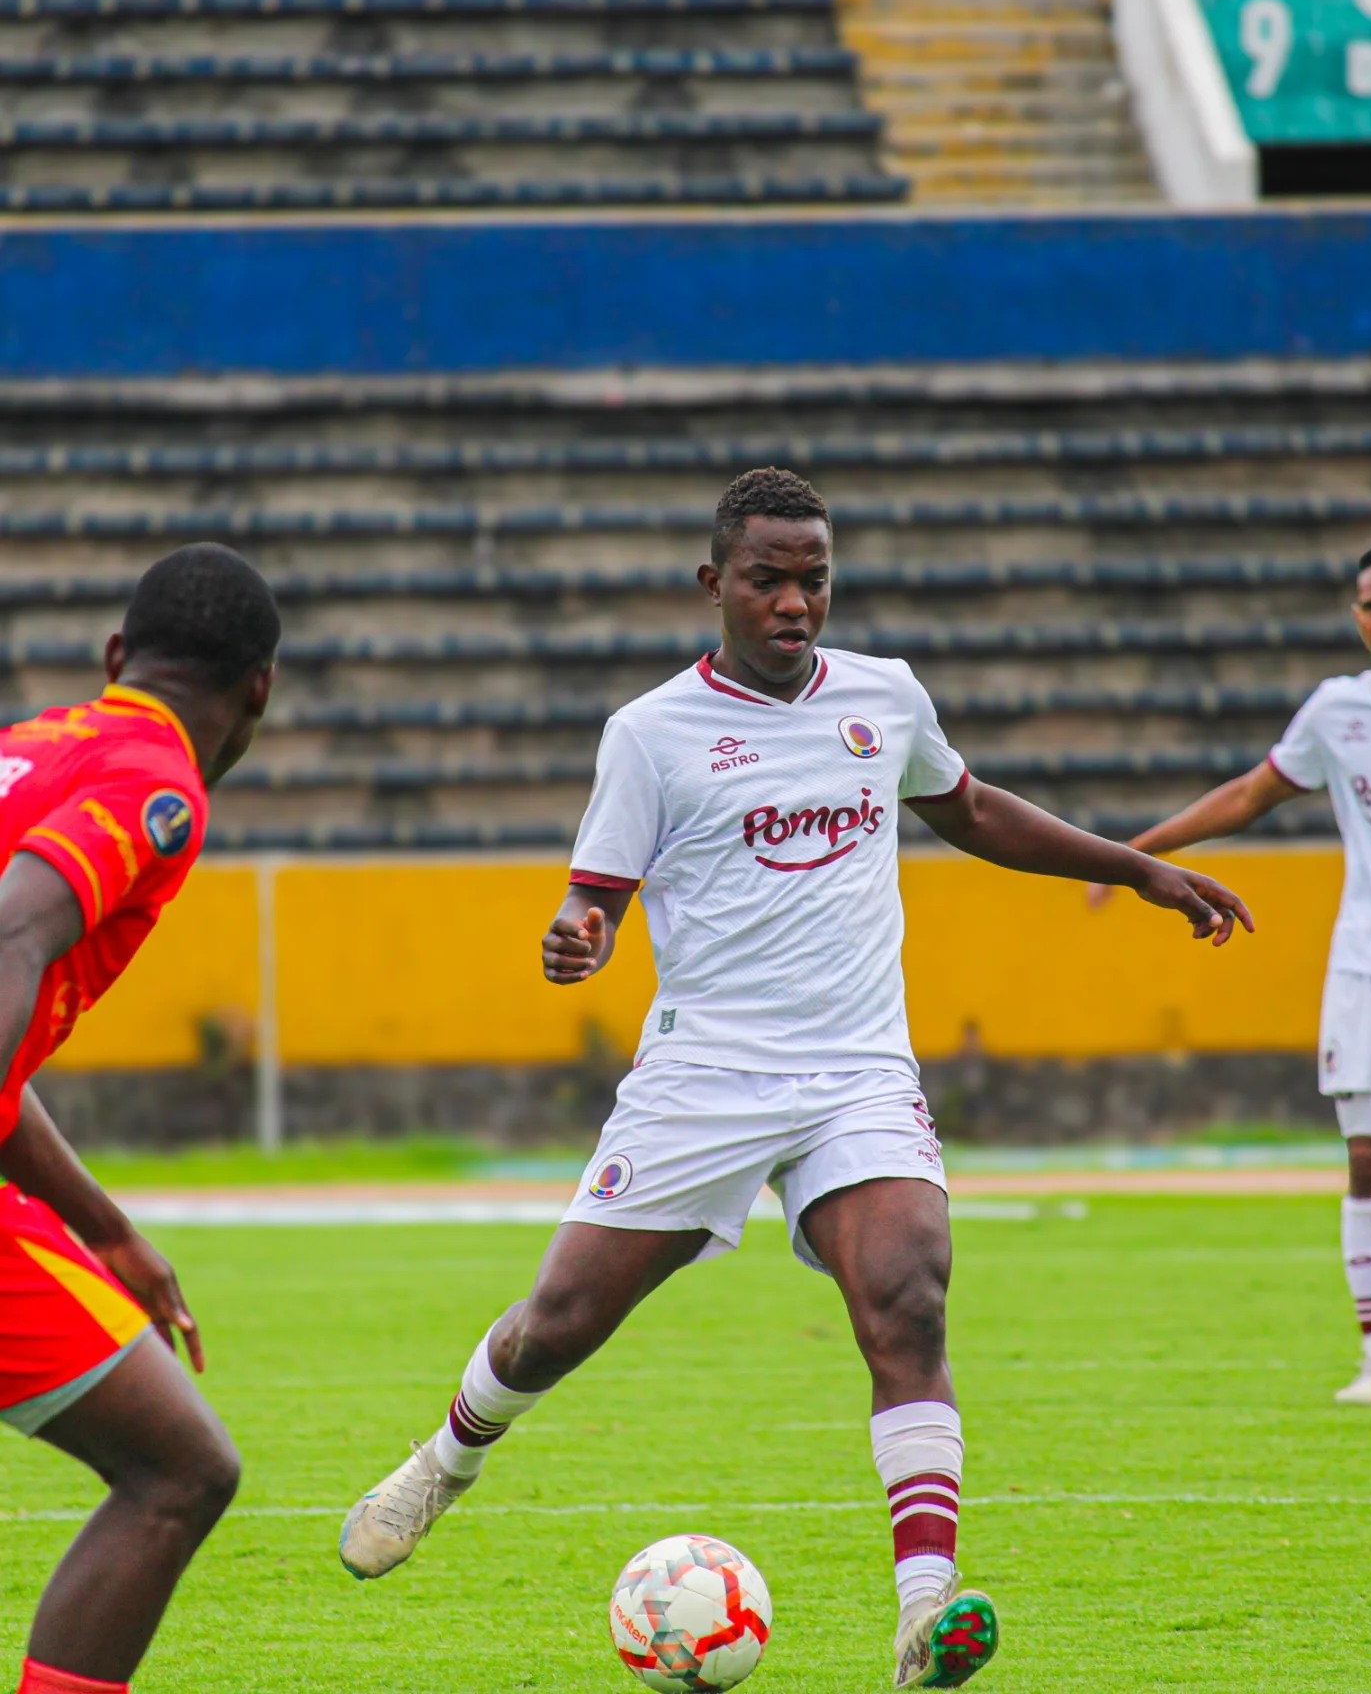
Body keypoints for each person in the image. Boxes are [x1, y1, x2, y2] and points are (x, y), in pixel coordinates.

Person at [340, 468, 1251, 1689]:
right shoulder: (651, 733)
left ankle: (924, 1615)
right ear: (714, 583)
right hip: (704, 1077)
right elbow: (593, 901)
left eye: (813, 577)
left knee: (910, 1300)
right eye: (768, 578)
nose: (794, 601)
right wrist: (579, 938)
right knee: (558, 1326)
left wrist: (1136, 868)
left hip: (858, 1070)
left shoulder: (886, 697)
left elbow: (969, 809)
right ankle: (444, 1462)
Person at [0, 543, 278, 1694]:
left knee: (179, 1466)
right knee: (178, 1472)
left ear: (118, 654)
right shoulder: (155, 779)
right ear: (257, 692)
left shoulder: (30, 744)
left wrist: (100, 1223)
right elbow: (13, 933)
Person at [1087, 539, 1371, 1408]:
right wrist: (1133, 855)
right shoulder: (1336, 712)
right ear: (1356, 618)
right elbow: (1249, 794)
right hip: (1364, 964)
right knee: (1367, 1156)